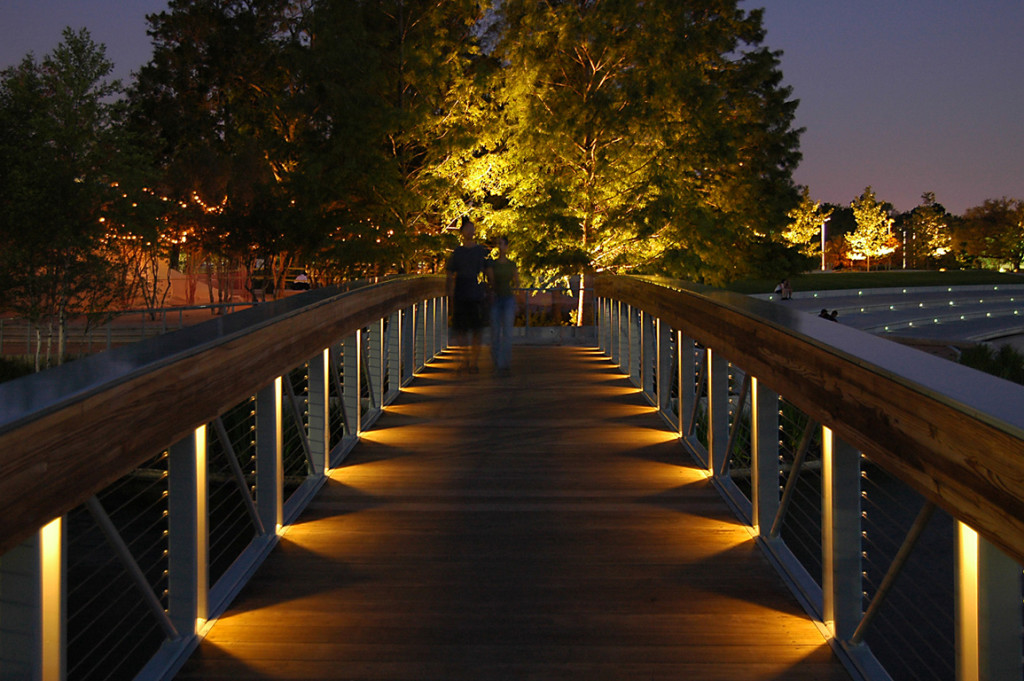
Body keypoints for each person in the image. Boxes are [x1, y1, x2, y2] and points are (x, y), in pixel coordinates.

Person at [446, 217, 492, 373]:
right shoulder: (457, 252)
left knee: (476, 330)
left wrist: (490, 288)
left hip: (477, 294)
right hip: (461, 292)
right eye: (468, 228)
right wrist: (449, 292)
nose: (470, 231)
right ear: (462, 232)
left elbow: (488, 271)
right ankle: (465, 360)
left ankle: (474, 362)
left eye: (472, 228)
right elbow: (450, 273)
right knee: (462, 330)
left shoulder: (481, 251)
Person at [488, 235, 519, 375]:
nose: (500, 247)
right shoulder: (493, 264)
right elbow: (491, 281)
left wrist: (517, 297)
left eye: (502, 244)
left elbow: (517, 282)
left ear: (506, 247)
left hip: (508, 298)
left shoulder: (511, 264)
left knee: (507, 332)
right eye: (498, 244)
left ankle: (505, 363)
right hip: (496, 298)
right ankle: (497, 362)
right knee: (495, 332)